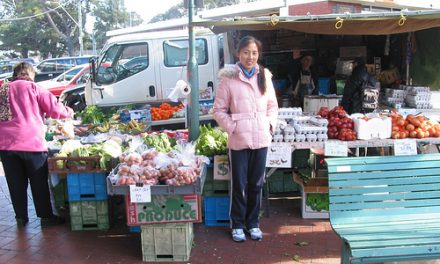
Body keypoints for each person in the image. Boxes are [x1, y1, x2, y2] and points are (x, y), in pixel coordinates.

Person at [213, 36, 278, 242]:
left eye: (254, 53)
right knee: (239, 184)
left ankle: (253, 223)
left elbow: (272, 106)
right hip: (239, 139)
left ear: (258, 54)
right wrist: (233, 127)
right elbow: (218, 110)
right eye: (246, 52)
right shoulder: (229, 78)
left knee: (257, 183)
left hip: (261, 137)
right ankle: (238, 224)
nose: (250, 57)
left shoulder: (264, 76)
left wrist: (270, 125)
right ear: (238, 54)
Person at [0, 62, 74, 227]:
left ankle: (21, 217)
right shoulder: (34, 88)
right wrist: (69, 112)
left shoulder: (3, 90)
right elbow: (55, 110)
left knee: (15, 183)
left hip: (6, 145)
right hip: (32, 143)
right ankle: (46, 217)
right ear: (31, 74)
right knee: (38, 182)